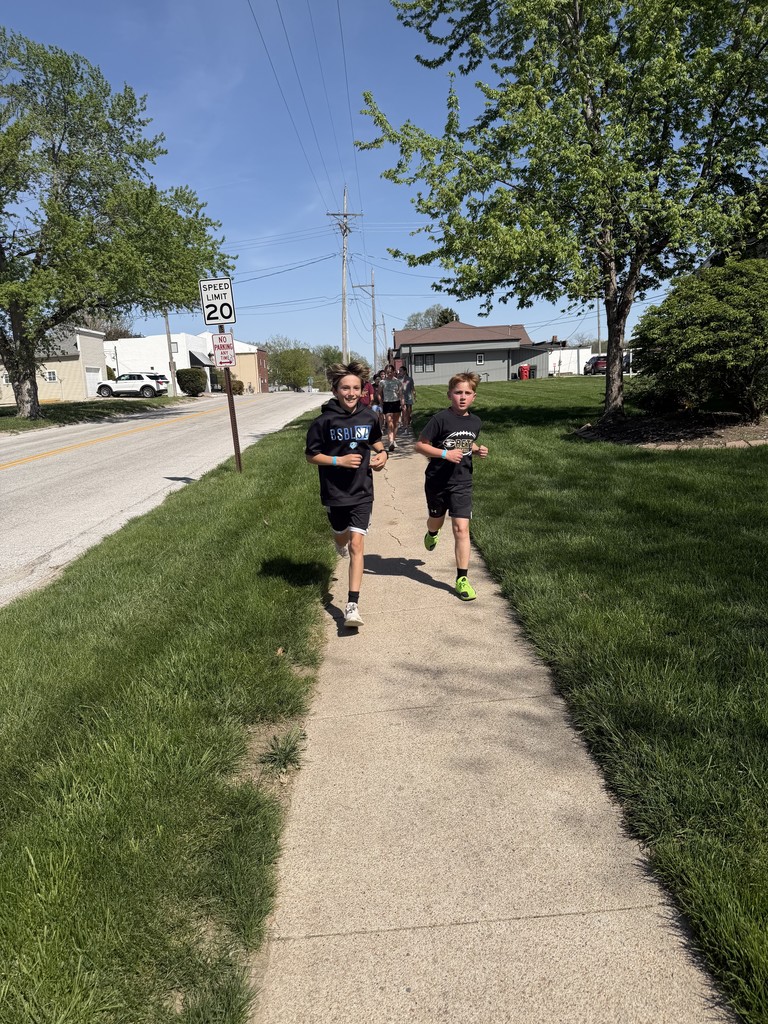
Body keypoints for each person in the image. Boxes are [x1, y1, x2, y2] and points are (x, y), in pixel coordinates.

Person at [305, 361, 388, 628]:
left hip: (362, 490)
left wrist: (382, 453)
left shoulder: (369, 416)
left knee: (357, 544)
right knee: (341, 535)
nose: (351, 393)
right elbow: (311, 456)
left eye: (355, 388)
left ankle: (352, 605)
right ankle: (337, 540)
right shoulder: (323, 421)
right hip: (335, 491)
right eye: (345, 388)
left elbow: (374, 440)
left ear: (362, 389)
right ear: (335, 390)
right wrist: (338, 461)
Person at [414, 372, 489, 601]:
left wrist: (477, 449)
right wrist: (444, 454)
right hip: (437, 481)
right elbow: (420, 445)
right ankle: (432, 532)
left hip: (462, 482)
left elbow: (466, 442)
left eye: (467, 393)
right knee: (436, 519)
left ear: (474, 396)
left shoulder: (475, 422)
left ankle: (462, 579)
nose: (462, 397)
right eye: (458, 393)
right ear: (450, 395)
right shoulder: (440, 419)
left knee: (461, 529)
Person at [379, 364, 403, 451]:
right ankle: (390, 442)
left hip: (396, 403)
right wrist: (381, 402)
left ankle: (394, 440)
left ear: (394, 372)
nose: (389, 374)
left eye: (391, 372)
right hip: (387, 403)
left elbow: (400, 393)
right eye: (387, 372)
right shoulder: (382, 382)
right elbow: (379, 393)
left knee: (395, 423)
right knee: (390, 423)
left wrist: (402, 403)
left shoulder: (397, 382)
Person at [397, 364, 415, 431]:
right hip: (401, 398)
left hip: (409, 397)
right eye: (399, 371)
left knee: (409, 412)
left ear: (405, 371)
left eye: (401, 371)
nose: (400, 372)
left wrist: (414, 396)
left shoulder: (410, 379)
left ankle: (407, 423)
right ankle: (404, 425)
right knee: (404, 412)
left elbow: (412, 388)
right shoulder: (398, 379)